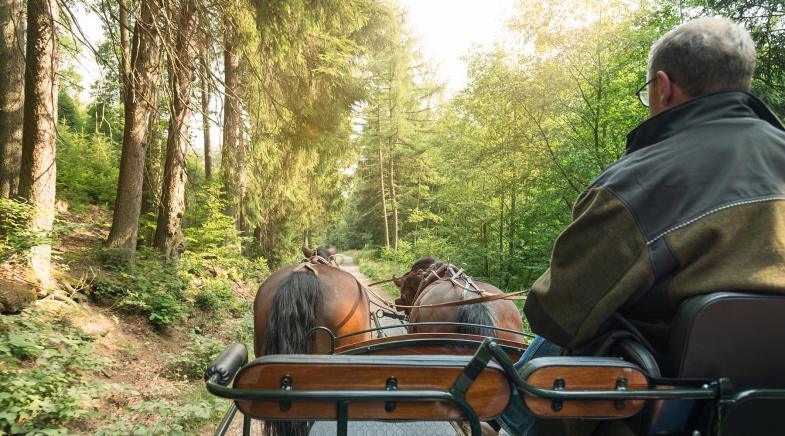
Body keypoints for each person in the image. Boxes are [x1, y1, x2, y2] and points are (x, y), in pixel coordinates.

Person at [500, 16, 785, 435]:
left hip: (663, 411)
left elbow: (555, 314)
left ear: (664, 87)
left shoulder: (633, 185)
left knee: (527, 379)